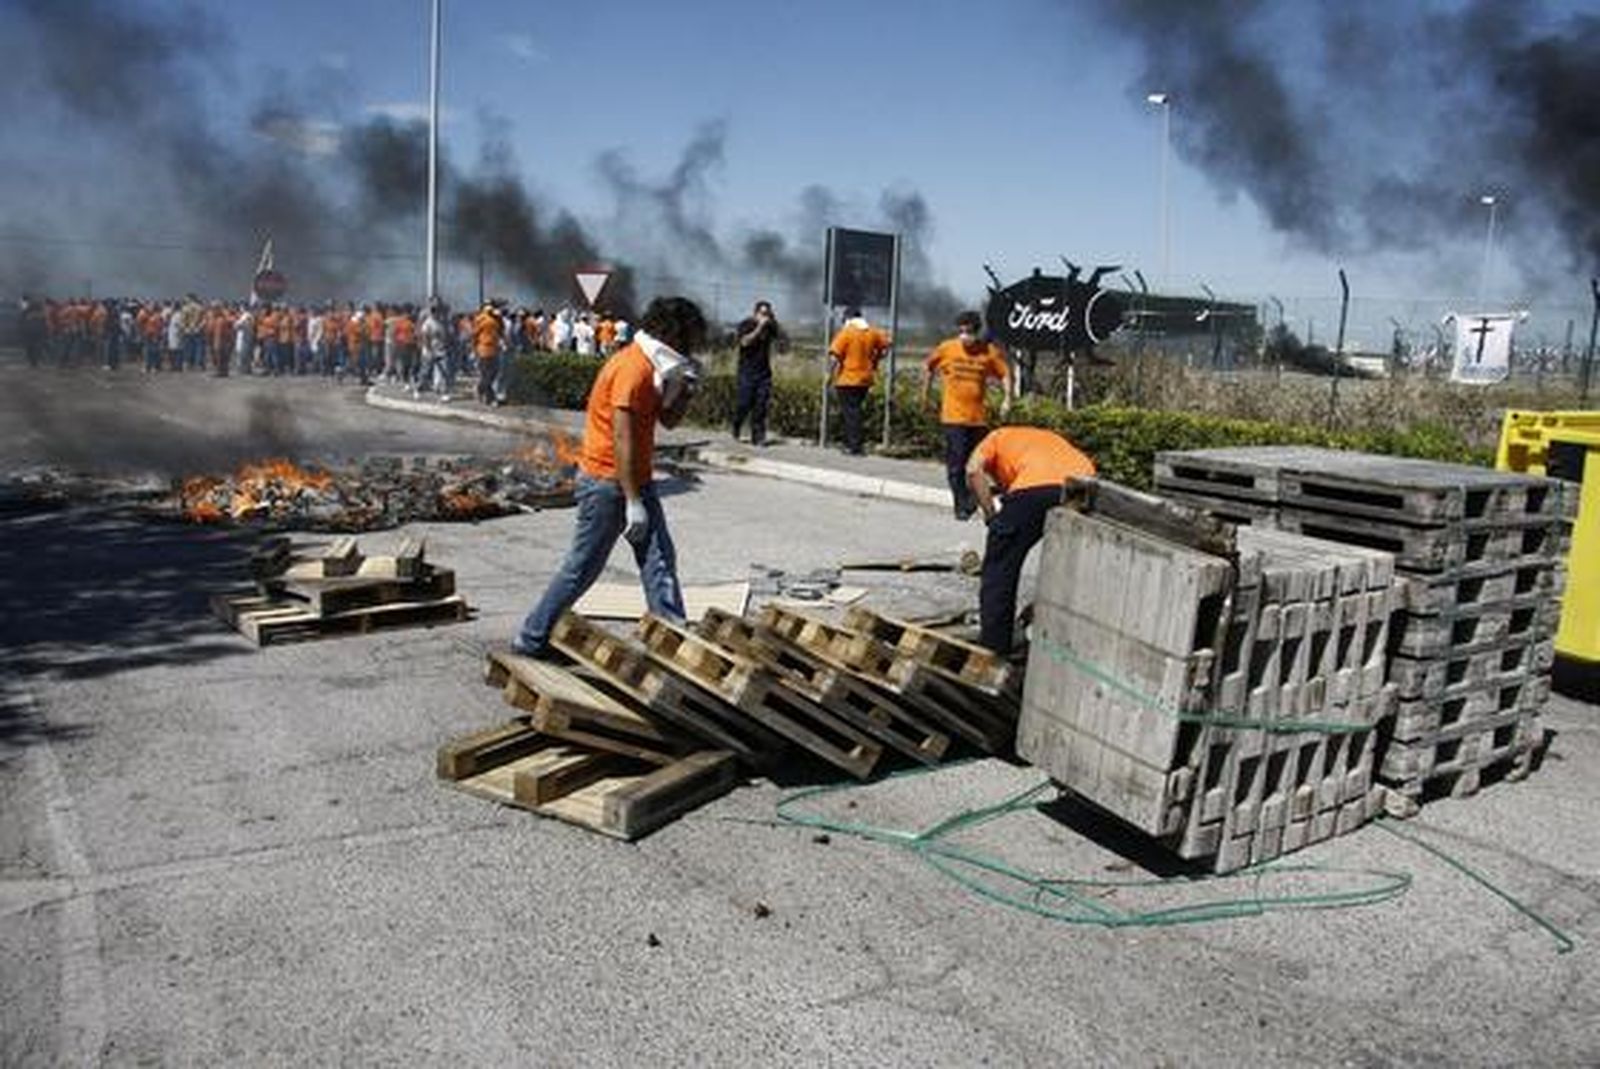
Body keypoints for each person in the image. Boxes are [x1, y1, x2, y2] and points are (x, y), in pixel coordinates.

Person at [512, 296, 707, 659]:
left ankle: (672, 645)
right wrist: (633, 501)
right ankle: (531, 637)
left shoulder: (654, 368)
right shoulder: (632, 369)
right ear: (673, 333)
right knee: (582, 568)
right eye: (689, 338)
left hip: (636, 479)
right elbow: (622, 438)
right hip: (607, 482)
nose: (691, 347)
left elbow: (668, 420)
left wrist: (685, 390)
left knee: (660, 560)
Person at [966, 425, 1096, 654]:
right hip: (1085, 488)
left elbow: (973, 470)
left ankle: (994, 648)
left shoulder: (995, 437)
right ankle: (1059, 637)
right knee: (1068, 570)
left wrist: (990, 515)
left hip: (1036, 487)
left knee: (999, 568)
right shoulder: (1044, 438)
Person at [922, 310, 1011, 519]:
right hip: (953, 417)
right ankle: (960, 505)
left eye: (969, 331)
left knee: (977, 465)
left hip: (978, 418)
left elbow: (1005, 373)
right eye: (961, 331)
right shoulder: (947, 348)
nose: (964, 335)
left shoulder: (988, 351)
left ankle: (970, 498)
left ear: (976, 331)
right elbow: (928, 367)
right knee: (957, 464)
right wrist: (925, 395)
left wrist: (1007, 398)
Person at [827, 306, 889, 455]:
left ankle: (854, 446)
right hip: (865, 379)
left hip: (847, 379)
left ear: (847, 318)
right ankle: (851, 442)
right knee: (856, 412)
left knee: (850, 414)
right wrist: (875, 359)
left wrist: (828, 376)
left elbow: (834, 357)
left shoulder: (846, 333)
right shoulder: (872, 332)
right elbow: (887, 346)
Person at [732, 299, 787, 446]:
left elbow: (783, 344)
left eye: (768, 314)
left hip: (763, 373)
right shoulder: (746, 325)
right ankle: (737, 424)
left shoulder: (770, 327)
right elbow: (744, 342)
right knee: (744, 403)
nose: (765, 317)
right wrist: (759, 328)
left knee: (761, 406)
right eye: (763, 313)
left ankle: (758, 437)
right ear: (755, 313)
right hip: (746, 372)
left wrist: (775, 324)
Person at [472, 299, 504, 406]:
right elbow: (474, 335)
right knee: (487, 375)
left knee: (493, 374)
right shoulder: (481, 319)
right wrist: (474, 349)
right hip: (484, 350)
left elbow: (501, 332)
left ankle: (480, 389)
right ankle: (491, 398)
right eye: (488, 305)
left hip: (495, 350)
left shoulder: (497, 319)